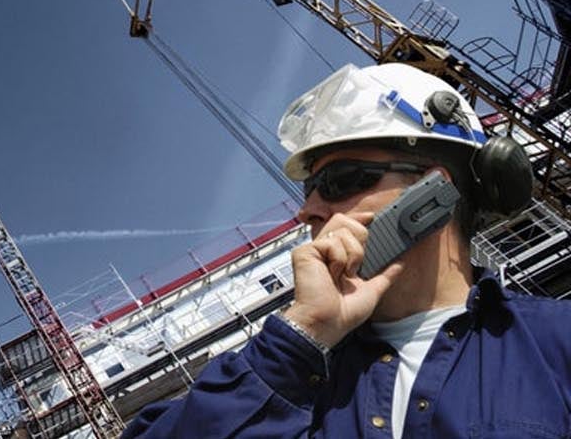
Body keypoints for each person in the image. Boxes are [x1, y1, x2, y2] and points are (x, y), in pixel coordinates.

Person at [123, 63, 571, 438]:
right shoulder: (294, 384)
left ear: (434, 190)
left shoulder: (555, 341)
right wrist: (299, 340)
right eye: (308, 191)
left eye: (339, 181)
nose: (309, 210)